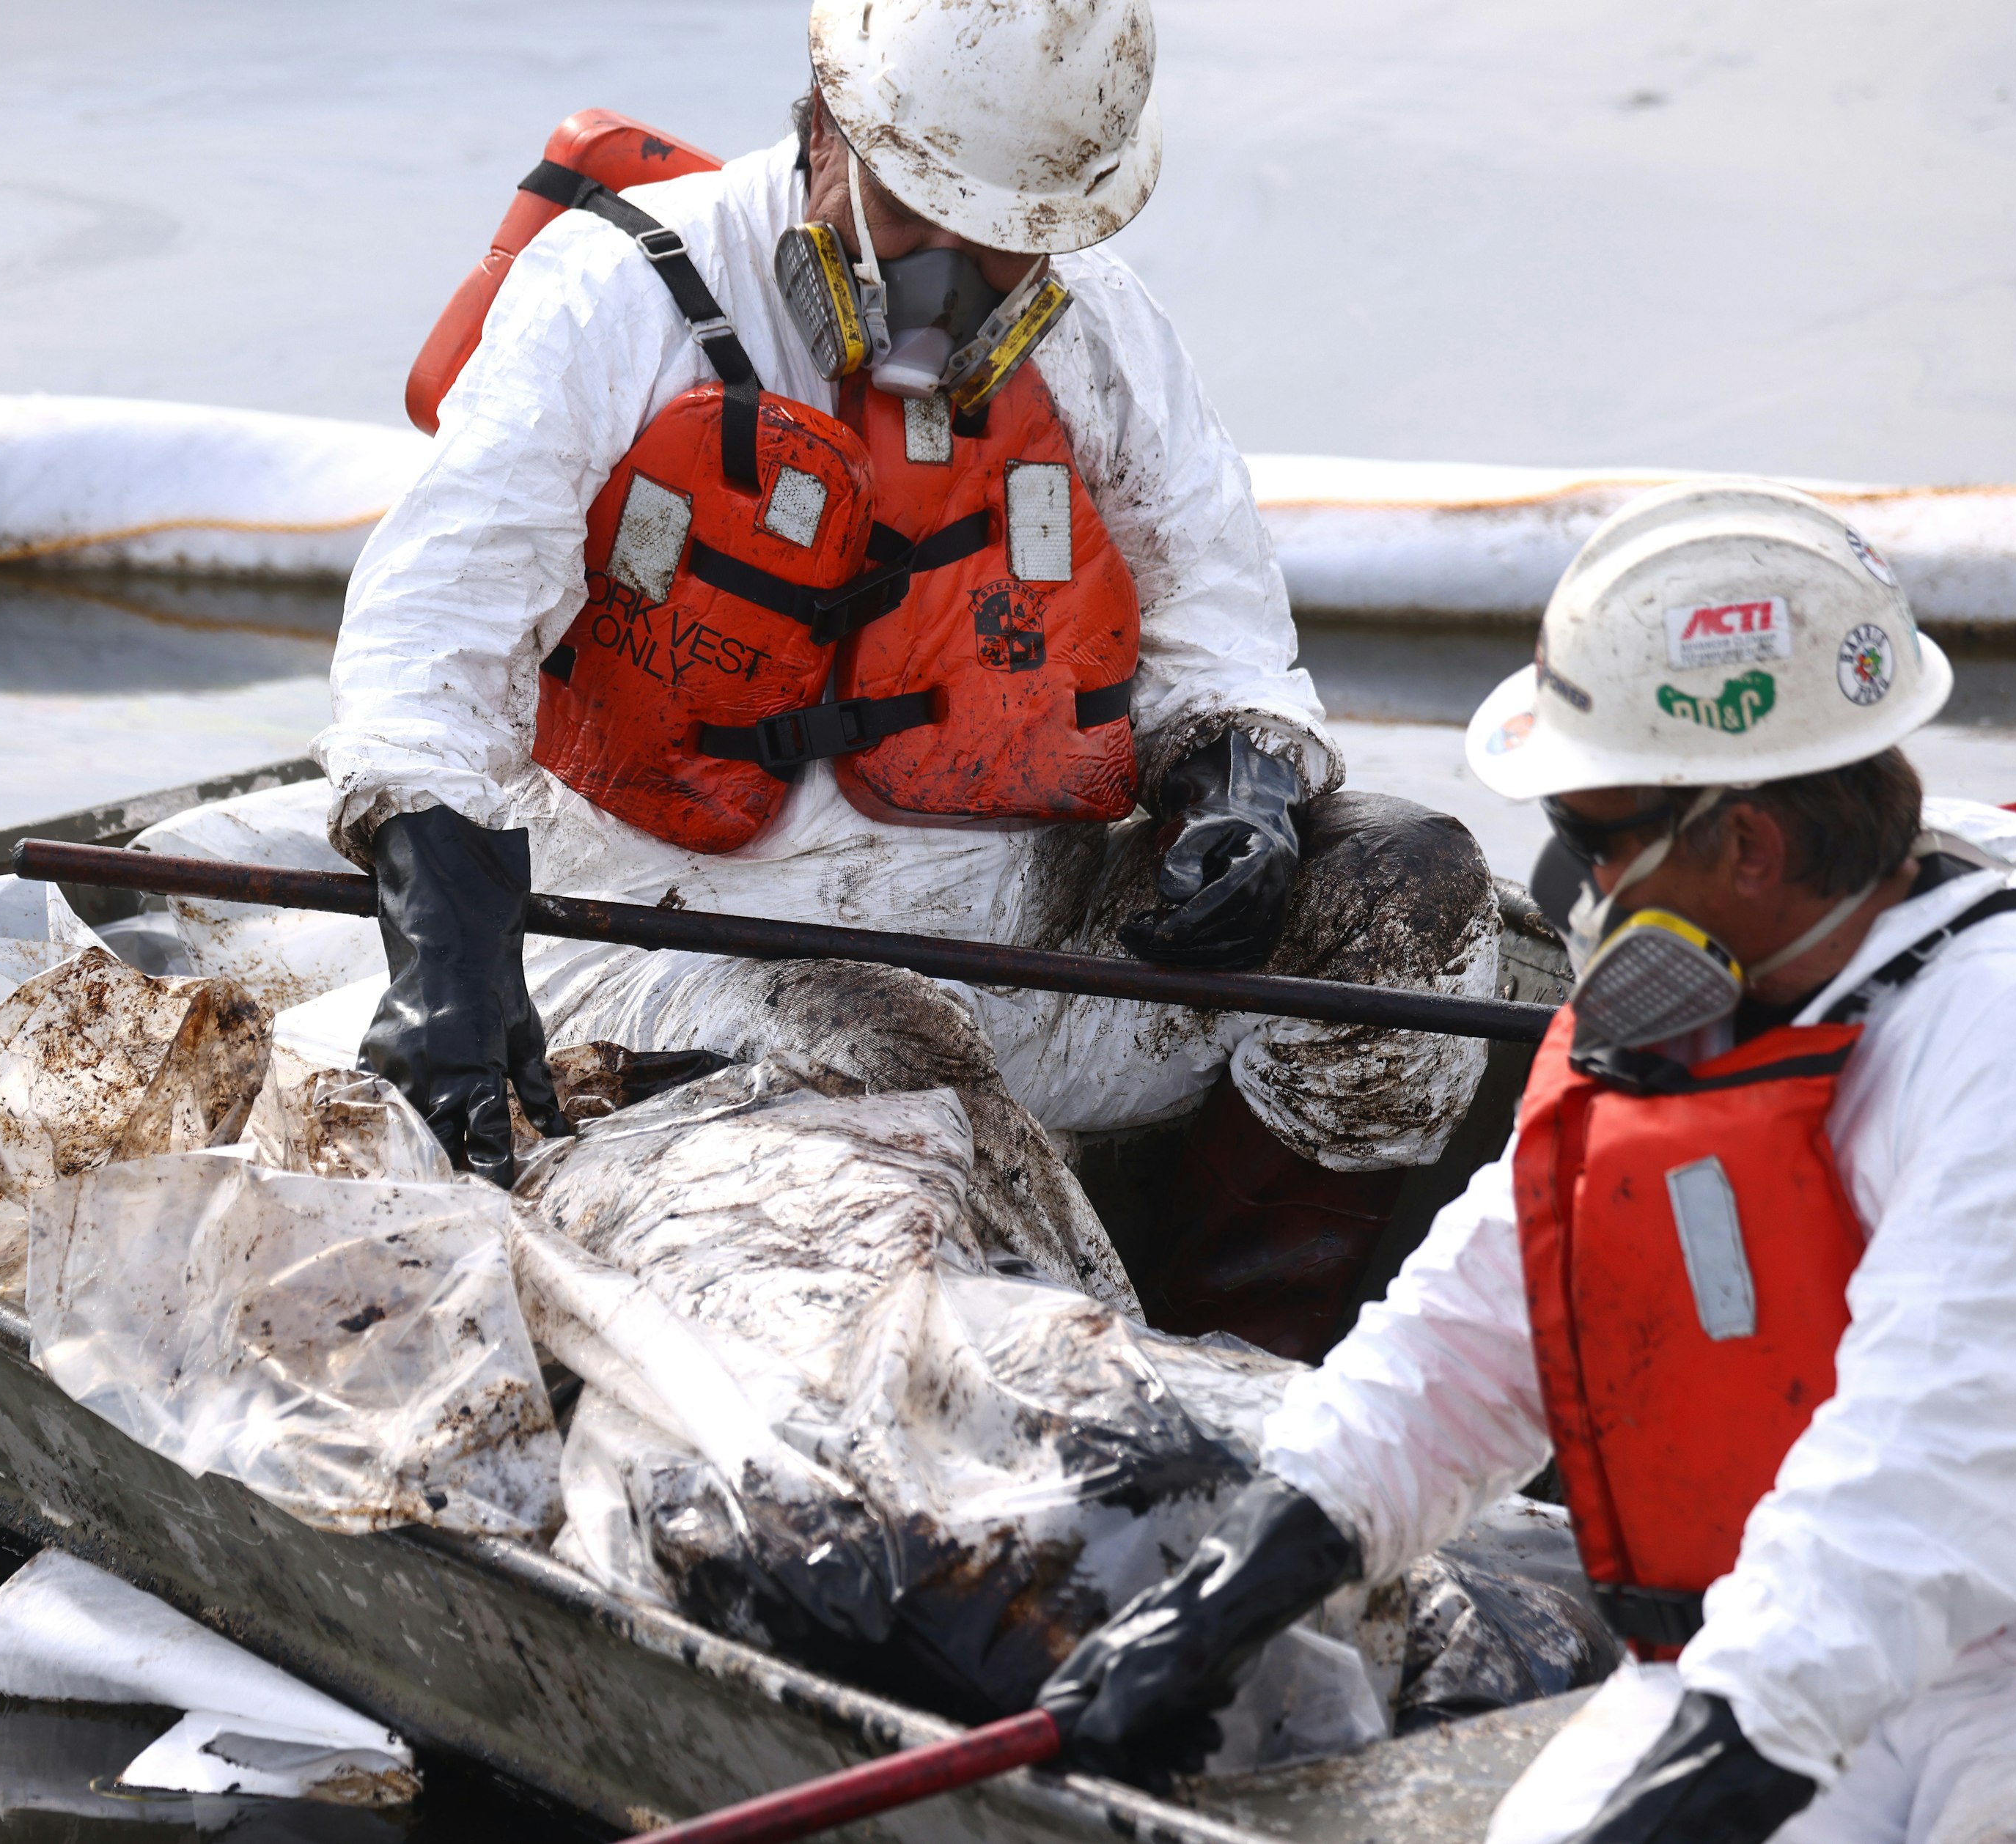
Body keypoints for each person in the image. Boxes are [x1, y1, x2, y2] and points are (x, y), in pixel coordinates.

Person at [1037, 479, 2016, 1842]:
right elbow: (1475, 1328)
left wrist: (1721, 1766)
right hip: (1785, 1612)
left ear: (1747, 841)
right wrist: (1244, 1577)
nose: (1570, 885)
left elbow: (1940, 1470)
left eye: (1591, 840)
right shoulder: (1702, 991)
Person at [290, 0, 1503, 1345]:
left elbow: (1221, 643)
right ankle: (1081, 1375)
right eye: (921, 219)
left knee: (1411, 899)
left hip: (1032, 952)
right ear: (825, 123)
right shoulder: (614, 291)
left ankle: (1255, 1349)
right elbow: (426, 649)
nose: (958, 278)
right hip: (677, 949)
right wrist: (449, 961)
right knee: (892, 1045)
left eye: (1007, 240)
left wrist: (1245, 798)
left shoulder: (1101, 333)